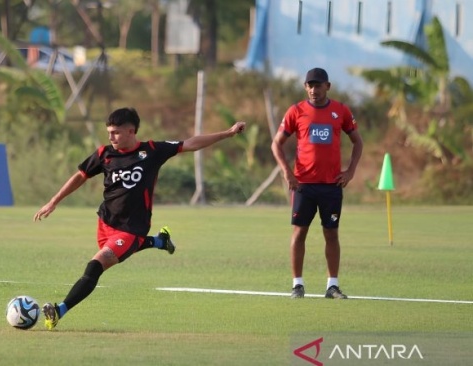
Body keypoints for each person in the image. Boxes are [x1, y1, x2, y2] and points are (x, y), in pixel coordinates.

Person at [34, 107, 246, 329]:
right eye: (109, 132)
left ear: (131, 131)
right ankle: (158, 241)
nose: (110, 137)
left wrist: (227, 133)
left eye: (115, 132)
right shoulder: (104, 154)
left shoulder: (153, 150)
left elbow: (190, 143)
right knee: (115, 255)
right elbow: (81, 176)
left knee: (95, 266)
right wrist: (54, 201)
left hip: (132, 227)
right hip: (105, 222)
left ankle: (59, 311)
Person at [271, 68, 363, 299]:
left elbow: (357, 142)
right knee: (299, 232)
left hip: (331, 186)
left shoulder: (340, 111)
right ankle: (297, 285)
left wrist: (350, 171)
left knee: (331, 234)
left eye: (318, 85)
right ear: (305, 87)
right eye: (310, 85)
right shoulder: (297, 111)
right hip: (303, 185)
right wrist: (287, 172)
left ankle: (332, 285)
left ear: (327, 86)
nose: (314, 90)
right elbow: (276, 144)